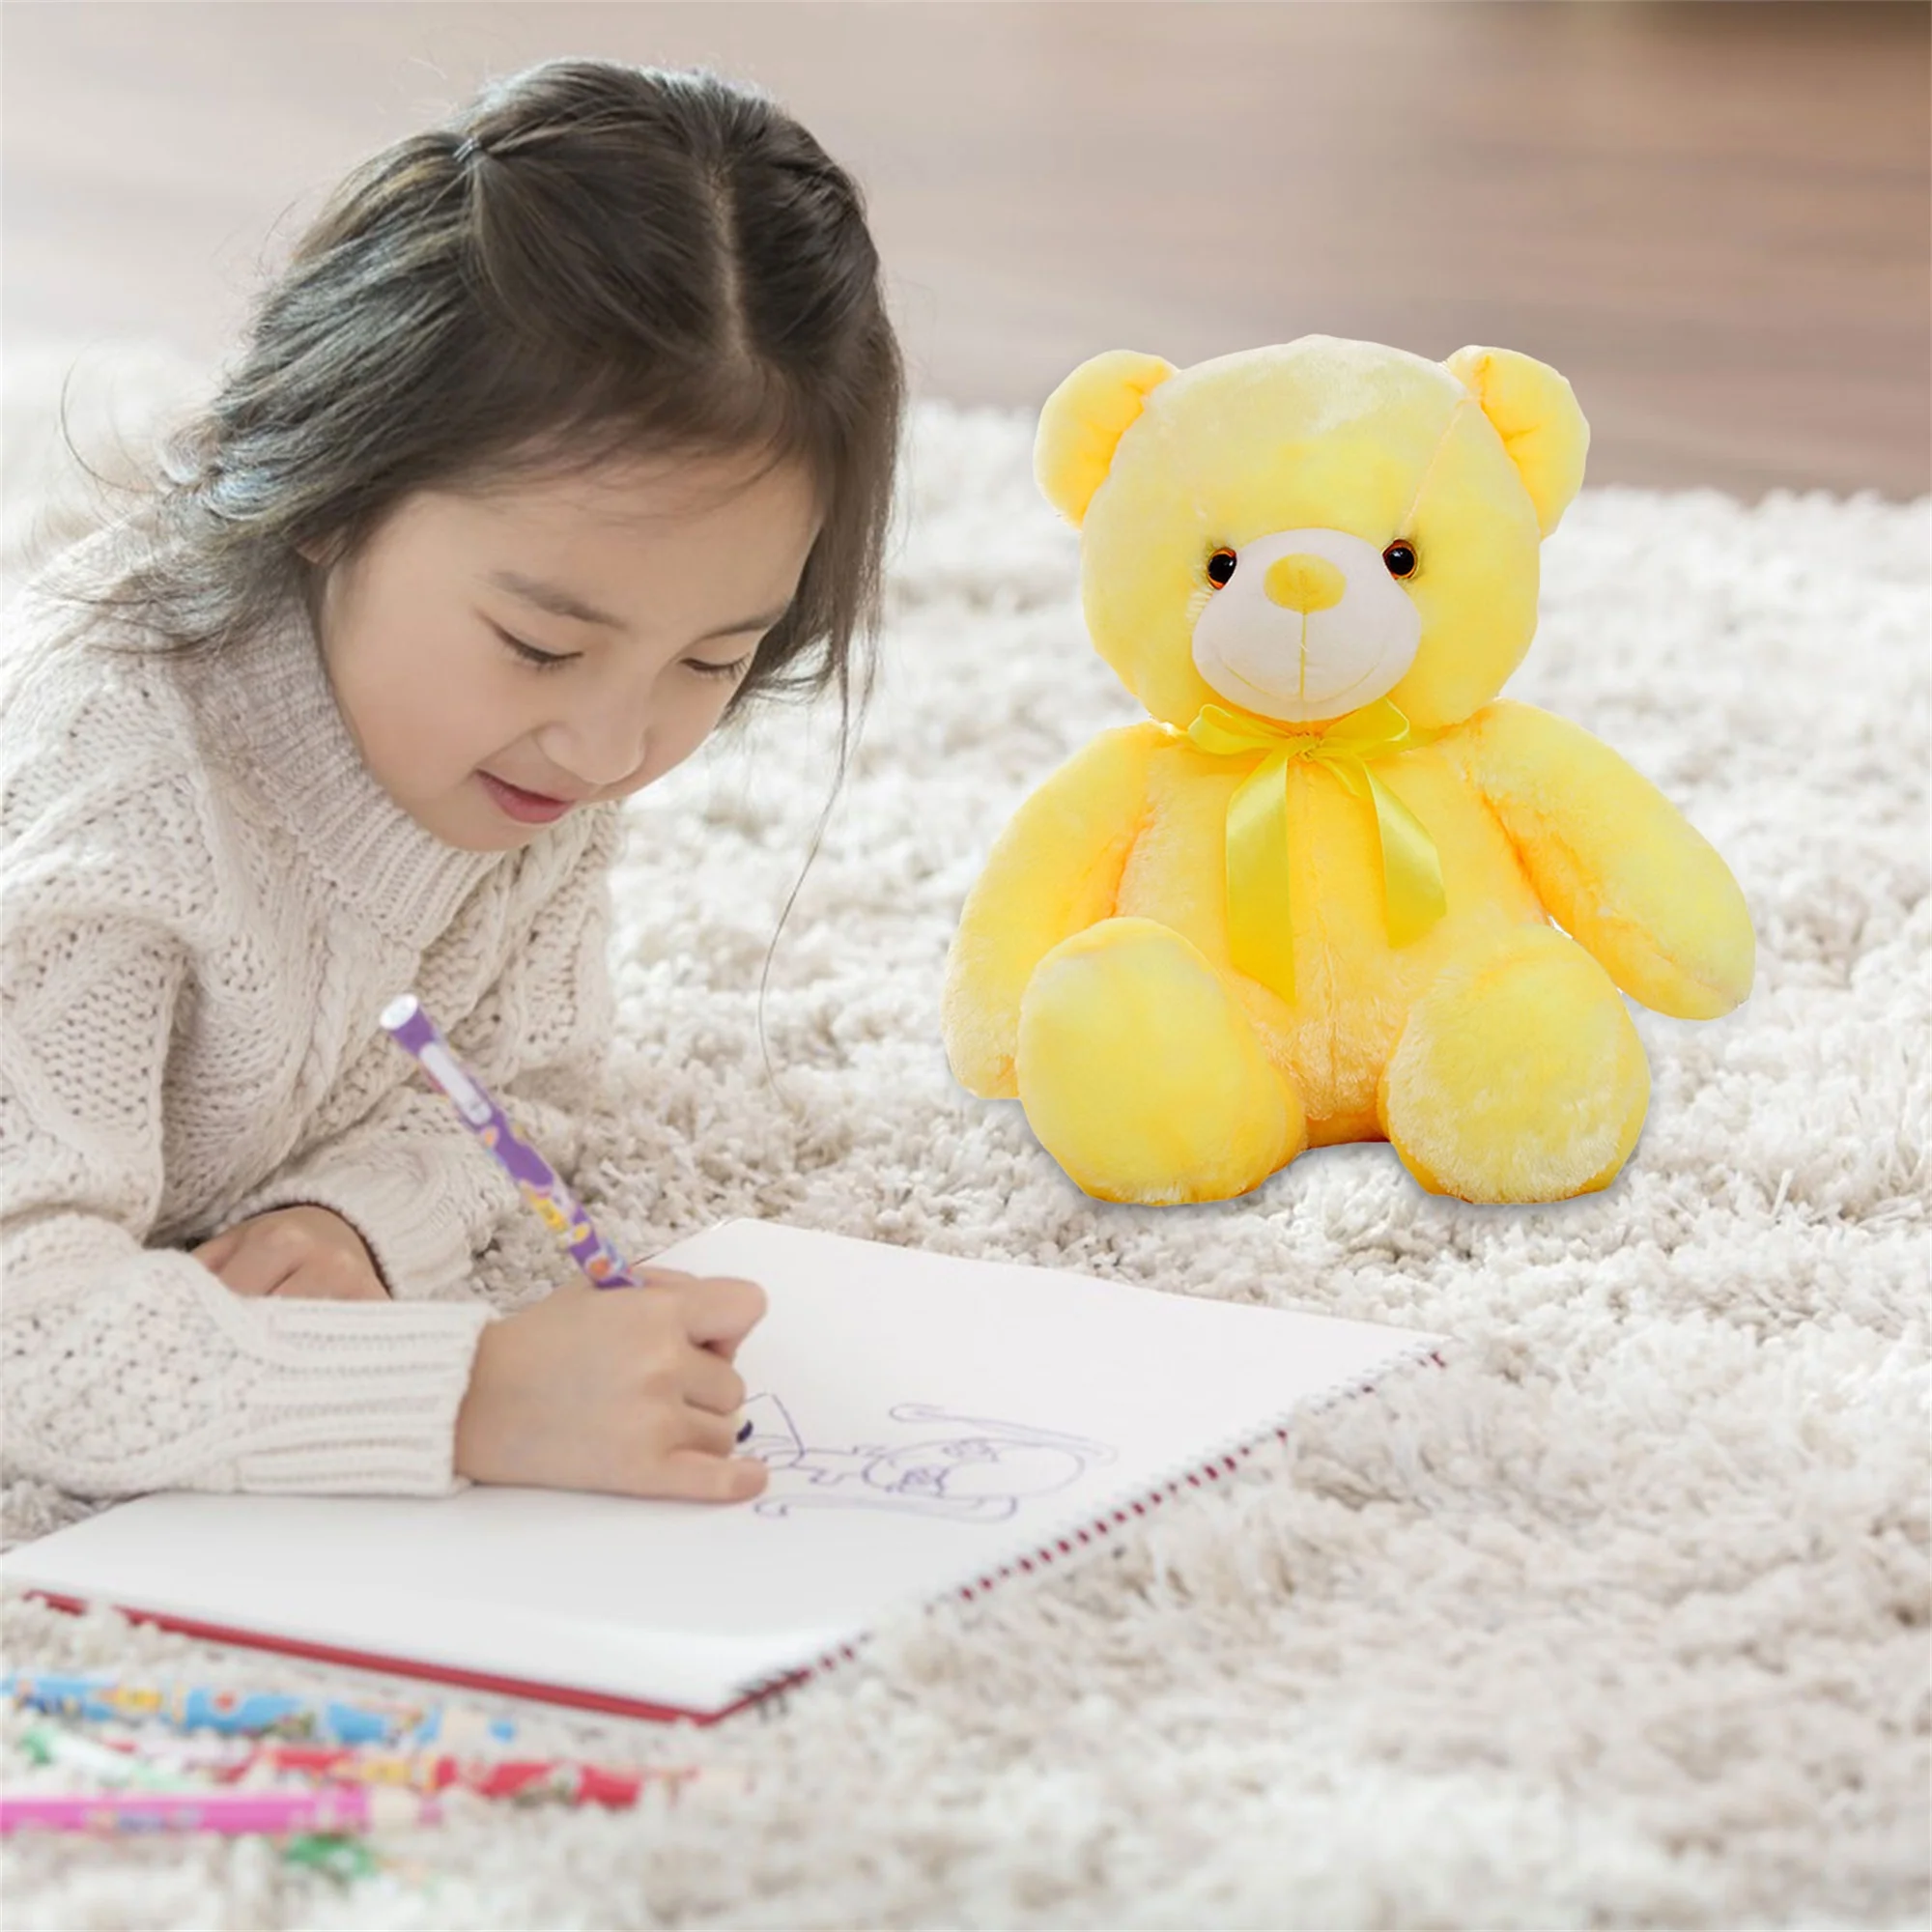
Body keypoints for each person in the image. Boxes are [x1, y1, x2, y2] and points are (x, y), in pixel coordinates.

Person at [1, 58, 904, 1506]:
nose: (613, 753)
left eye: (712, 661)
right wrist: (471, 1396)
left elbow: (518, 1082)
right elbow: (24, 1325)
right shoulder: (115, 811)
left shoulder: (536, 751)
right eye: (541, 645)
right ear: (326, 493)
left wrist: (352, 1221)